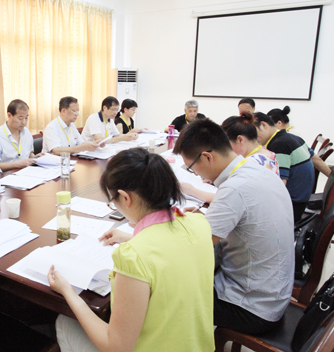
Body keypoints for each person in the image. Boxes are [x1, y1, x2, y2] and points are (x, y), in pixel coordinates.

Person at [48, 148, 214, 351]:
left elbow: (116, 347)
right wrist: (131, 237)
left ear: (125, 198)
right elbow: (169, 248)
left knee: (64, 322)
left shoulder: (134, 256)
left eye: (113, 202)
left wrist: (68, 292)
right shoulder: (198, 222)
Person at [173, 119, 294, 335]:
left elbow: (194, 249)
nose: (196, 174)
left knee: (166, 293)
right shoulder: (257, 169)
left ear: (207, 157)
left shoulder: (234, 189)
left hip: (252, 307)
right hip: (273, 291)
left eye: (191, 168)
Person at [254, 112, 314, 224]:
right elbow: (317, 159)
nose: (252, 138)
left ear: (263, 125)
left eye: (253, 133)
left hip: (292, 207)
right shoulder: (293, 137)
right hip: (301, 200)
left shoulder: (279, 145)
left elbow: (280, 185)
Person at [268, 106, 331, 177]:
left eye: (270, 125)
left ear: (279, 123)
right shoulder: (293, 132)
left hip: (294, 175)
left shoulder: (288, 137)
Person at [0, 99, 43, 171]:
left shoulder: (26, 132)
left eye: (26, 118)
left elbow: (29, 154)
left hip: (26, 172)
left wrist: (35, 157)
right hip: (5, 175)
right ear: (9, 115)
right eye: (20, 118)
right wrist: (17, 164)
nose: (24, 122)